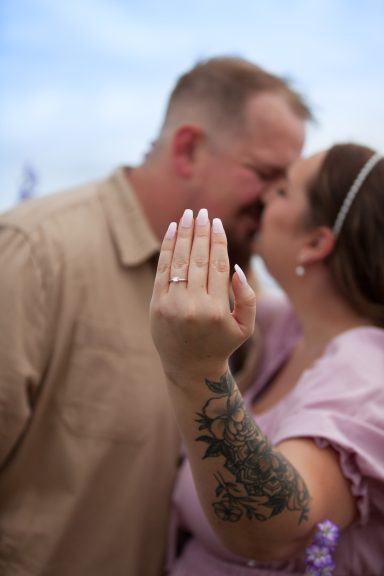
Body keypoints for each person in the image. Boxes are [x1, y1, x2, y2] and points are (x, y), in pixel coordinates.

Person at [0, 57, 311, 576]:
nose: (275, 201)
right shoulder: (33, 256)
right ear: (188, 149)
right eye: (265, 175)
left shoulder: (239, 286)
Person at [150, 143, 384, 575]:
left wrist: (197, 371)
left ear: (316, 242)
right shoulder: (289, 328)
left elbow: (279, 529)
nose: (263, 197)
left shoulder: (368, 374)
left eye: (282, 192)